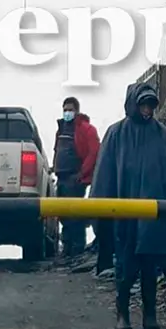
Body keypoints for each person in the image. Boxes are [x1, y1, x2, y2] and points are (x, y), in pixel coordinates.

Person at [91, 82, 166, 329]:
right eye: (142, 104)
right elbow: (104, 174)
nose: (147, 109)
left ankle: (150, 316)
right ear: (132, 104)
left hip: (153, 214)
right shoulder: (116, 133)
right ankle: (123, 315)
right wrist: (101, 213)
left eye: (150, 105)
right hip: (124, 213)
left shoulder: (163, 134)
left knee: (150, 265)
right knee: (124, 265)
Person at [54, 96, 100, 257]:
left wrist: (81, 174)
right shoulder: (61, 129)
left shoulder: (86, 129)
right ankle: (67, 249)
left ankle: (77, 250)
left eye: (70, 110)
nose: (67, 113)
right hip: (61, 177)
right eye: (65, 109)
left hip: (75, 178)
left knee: (76, 216)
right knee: (64, 216)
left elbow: (94, 152)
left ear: (77, 111)